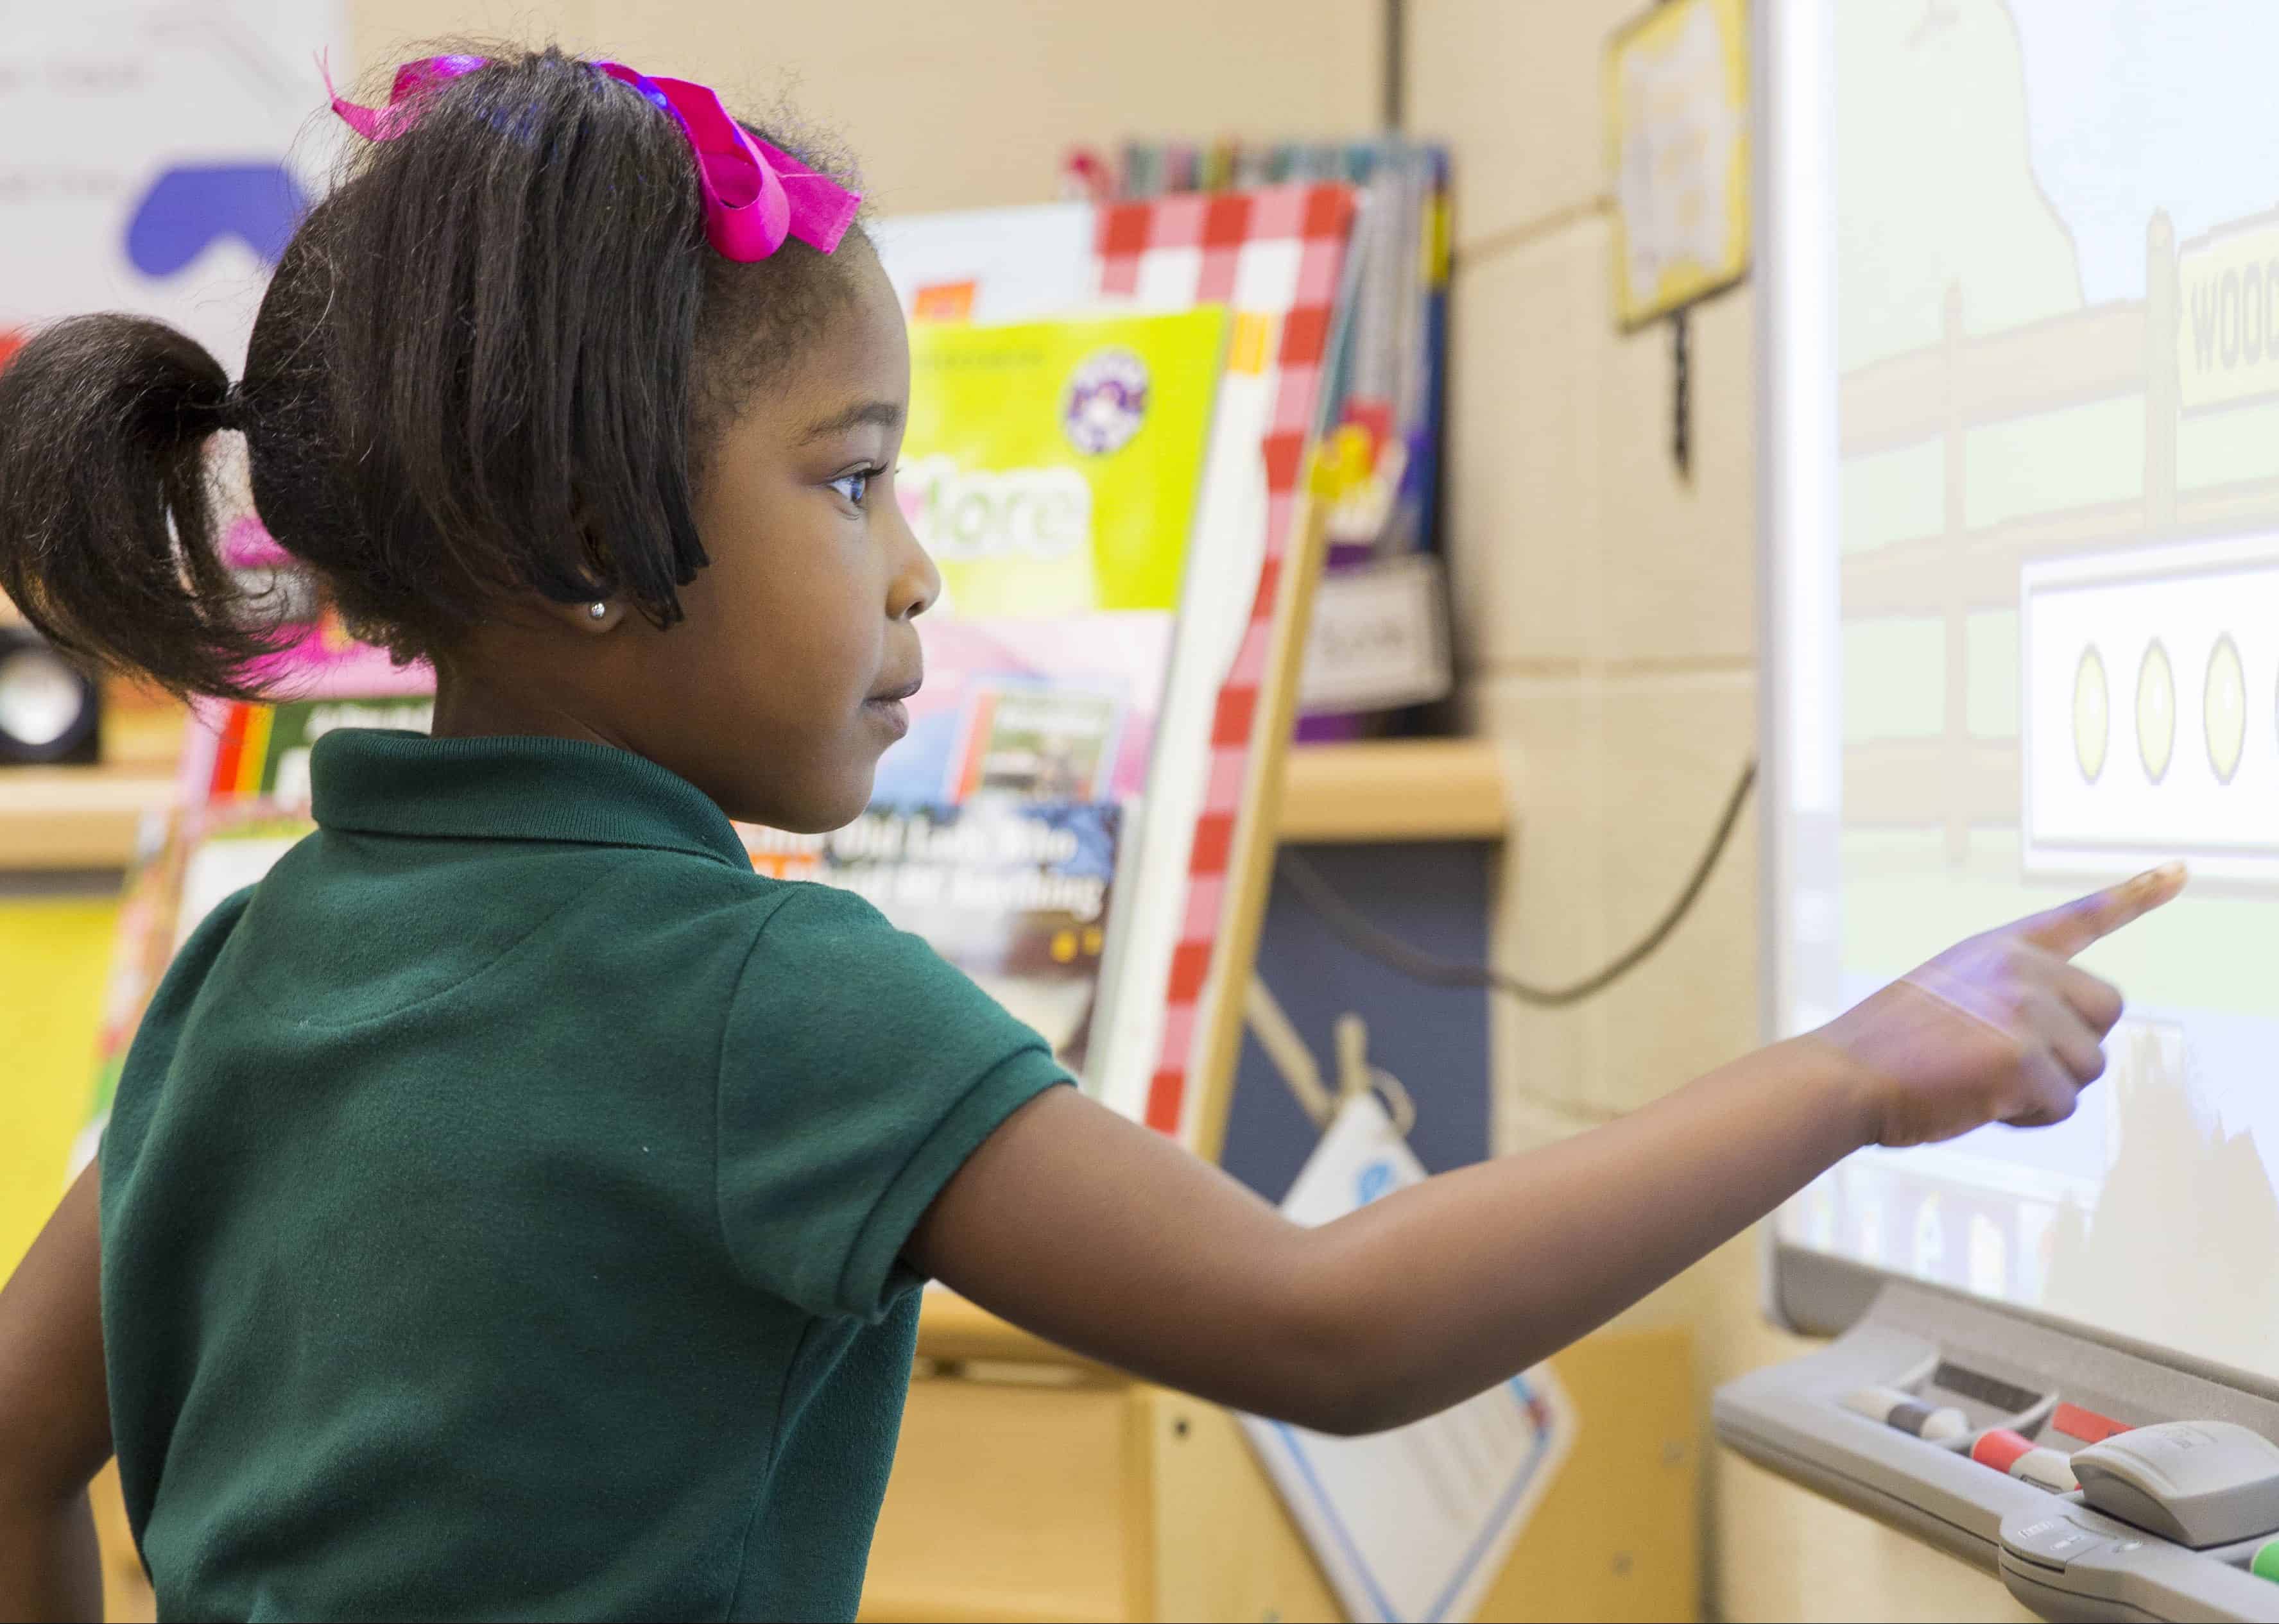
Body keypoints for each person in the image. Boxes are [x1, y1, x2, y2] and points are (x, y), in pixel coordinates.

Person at [0, 47, 2183, 1623]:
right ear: (592, 540)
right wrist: (1852, 1067)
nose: (920, 568)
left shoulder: (242, 969)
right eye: (856, 478)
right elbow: (1335, 1329)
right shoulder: (769, 996)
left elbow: (12, 1454)